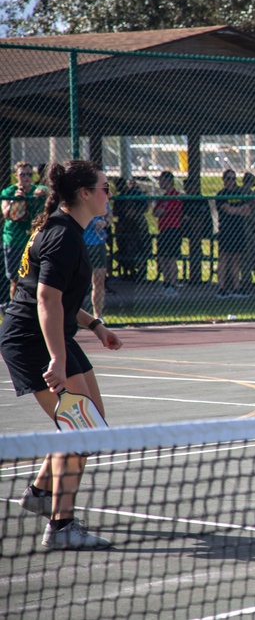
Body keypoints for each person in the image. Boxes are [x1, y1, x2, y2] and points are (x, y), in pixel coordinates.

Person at [1, 159, 123, 549]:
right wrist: (56, 358)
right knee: (82, 432)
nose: (109, 194)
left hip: (53, 335)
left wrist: (94, 324)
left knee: (91, 423)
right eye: (105, 188)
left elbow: (53, 294)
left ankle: (39, 493)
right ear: (85, 194)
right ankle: (61, 527)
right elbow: (45, 298)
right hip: (33, 341)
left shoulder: (65, 229)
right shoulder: (63, 236)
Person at [2, 162, 48, 307]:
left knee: (37, 278)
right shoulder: (9, 192)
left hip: (33, 241)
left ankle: (34, 309)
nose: (26, 178)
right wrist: (17, 199)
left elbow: (50, 192)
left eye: (29, 174)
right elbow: (6, 213)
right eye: (22, 174)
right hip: (14, 240)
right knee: (15, 279)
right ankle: (15, 309)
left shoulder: (37, 190)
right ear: (16, 176)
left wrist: (43, 191)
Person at [215, 169, 250, 298]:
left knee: (236, 259)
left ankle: (236, 287)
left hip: (238, 230)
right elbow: (227, 209)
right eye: (228, 178)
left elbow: (247, 211)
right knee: (224, 258)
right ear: (224, 180)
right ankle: (221, 288)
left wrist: (236, 210)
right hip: (226, 230)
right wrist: (238, 210)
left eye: (233, 179)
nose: (231, 181)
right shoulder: (221, 194)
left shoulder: (239, 193)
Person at [111, 175, 150, 281]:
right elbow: (115, 212)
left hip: (137, 226)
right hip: (125, 226)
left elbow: (145, 207)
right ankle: (127, 271)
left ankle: (141, 272)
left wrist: (135, 211)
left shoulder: (135, 193)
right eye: (117, 185)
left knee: (140, 248)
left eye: (120, 185)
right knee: (123, 248)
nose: (119, 187)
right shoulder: (120, 197)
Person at [151, 170, 183, 296]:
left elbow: (161, 211)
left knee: (171, 258)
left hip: (173, 230)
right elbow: (155, 212)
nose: (160, 182)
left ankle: (173, 285)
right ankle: (166, 283)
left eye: (162, 180)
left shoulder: (175, 195)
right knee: (162, 257)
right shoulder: (164, 196)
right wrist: (159, 210)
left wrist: (160, 210)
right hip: (163, 230)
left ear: (168, 181)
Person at [83, 204, 112, 318]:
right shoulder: (73, 194)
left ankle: (98, 316)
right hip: (77, 242)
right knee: (74, 281)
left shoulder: (99, 196)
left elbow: (109, 215)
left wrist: (105, 222)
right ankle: (72, 315)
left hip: (97, 243)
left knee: (99, 281)